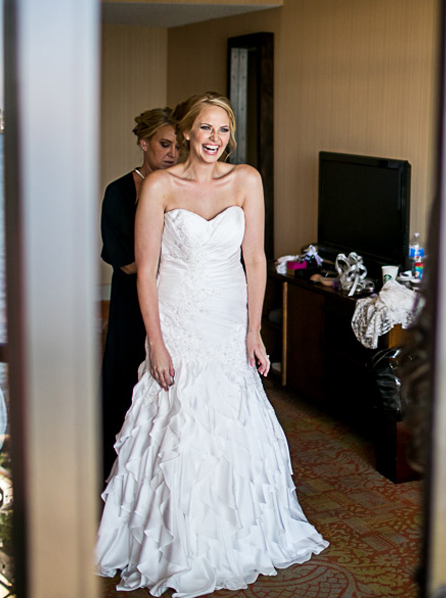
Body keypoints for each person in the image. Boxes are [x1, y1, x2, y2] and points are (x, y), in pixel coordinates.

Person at [95, 94, 328, 597]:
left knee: (231, 413)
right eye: (205, 129)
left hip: (226, 318)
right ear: (185, 133)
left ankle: (239, 529)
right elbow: (146, 273)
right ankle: (173, 539)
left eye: (223, 130)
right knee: (174, 417)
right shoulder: (158, 186)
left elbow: (257, 262)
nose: (214, 139)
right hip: (176, 317)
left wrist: (253, 330)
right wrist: (155, 342)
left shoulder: (246, 180)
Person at [100, 107, 177, 478]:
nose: (173, 153)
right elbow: (129, 264)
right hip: (133, 300)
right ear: (144, 143)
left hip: (177, 300)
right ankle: (119, 466)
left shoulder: (184, 188)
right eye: (164, 144)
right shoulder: (118, 192)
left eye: (179, 145)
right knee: (128, 376)